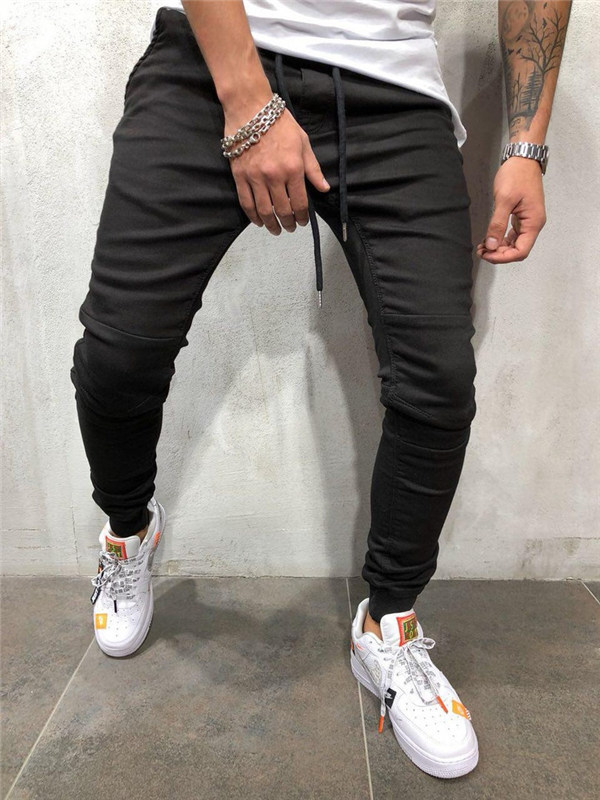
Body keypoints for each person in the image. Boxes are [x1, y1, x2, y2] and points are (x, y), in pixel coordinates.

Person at [70, 0, 572, 779]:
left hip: (394, 92)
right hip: (209, 63)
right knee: (119, 353)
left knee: (437, 381)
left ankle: (389, 626)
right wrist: (249, 102)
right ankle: (128, 530)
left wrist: (526, 145)